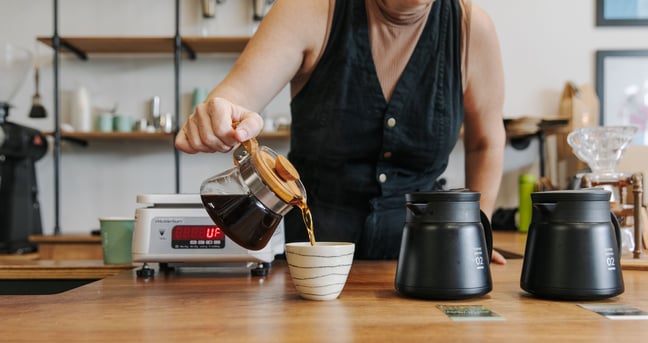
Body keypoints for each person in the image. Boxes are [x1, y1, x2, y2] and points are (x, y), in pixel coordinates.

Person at [175, 0, 507, 263]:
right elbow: (235, 98)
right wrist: (219, 113)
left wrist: (477, 231)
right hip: (306, 257)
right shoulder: (309, 9)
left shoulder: (471, 29)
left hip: (423, 259)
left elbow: (485, 142)